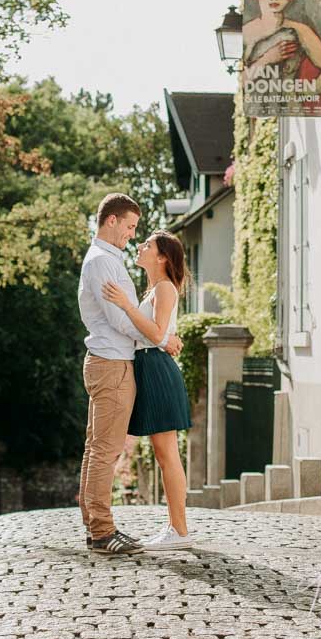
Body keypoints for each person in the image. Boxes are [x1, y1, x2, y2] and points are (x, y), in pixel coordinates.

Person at [78, 193, 183, 556]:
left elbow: (131, 317)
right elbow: (120, 320)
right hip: (112, 365)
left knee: (97, 449)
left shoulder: (105, 260)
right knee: (104, 451)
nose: (131, 234)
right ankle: (103, 532)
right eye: (130, 226)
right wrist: (163, 337)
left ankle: (96, 528)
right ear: (111, 221)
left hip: (108, 362)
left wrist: (162, 335)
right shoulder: (104, 263)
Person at [102, 230, 194, 551]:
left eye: (148, 244)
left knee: (168, 454)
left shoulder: (165, 288)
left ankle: (179, 531)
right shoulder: (155, 289)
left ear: (162, 257)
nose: (140, 246)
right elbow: (159, 333)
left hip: (156, 369)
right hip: (149, 366)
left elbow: (155, 332)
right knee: (164, 454)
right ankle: (175, 528)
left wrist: (127, 305)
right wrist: (166, 337)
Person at [243, 0, 321, 114]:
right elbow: (242, 81)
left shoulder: (300, 30)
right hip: (257, 110)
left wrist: (303, 93)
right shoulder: (247, 32)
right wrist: (267, 59)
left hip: (290, 109)